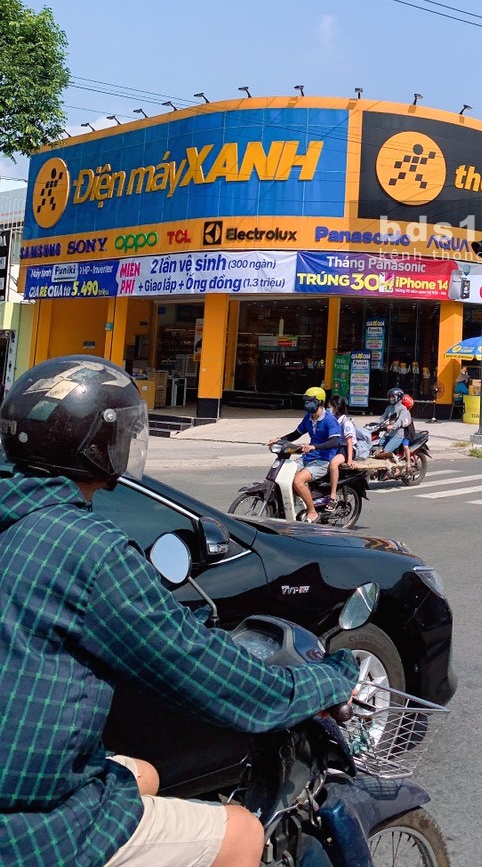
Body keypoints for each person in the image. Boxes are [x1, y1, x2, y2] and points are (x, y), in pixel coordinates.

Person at [0, 355, 357, 867]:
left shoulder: (17, 513)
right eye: (123, 431)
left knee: (145, 774)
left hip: (23, 770)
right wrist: (328, 680)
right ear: (95, 444)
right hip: (27, 824)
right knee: (241, 832)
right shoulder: (88, 550)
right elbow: (206, 674)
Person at [281, 386, 343, 523]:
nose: (307, 404)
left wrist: (314, 446)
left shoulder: (329, 420)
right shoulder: (308, 418)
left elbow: (334, 441)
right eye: (306, 401)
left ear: (320, 402)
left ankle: (312, 511)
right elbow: (296, 434)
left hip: (323, 460)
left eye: (311, 401)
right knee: (284, 474)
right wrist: (279, 440)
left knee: (298, 480)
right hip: (308, 457)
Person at [373, 388, 413, 470]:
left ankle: (401, 467)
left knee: (386, 451)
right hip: (388, 433)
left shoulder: (403, 409)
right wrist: (373, 424)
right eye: (390, 397)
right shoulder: (389, 408)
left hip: (398, 435)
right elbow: (382, 418)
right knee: (377, 449)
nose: (391, 398)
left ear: (399, 397)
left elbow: (400, 421)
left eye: (393, 397)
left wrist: (392, 426)